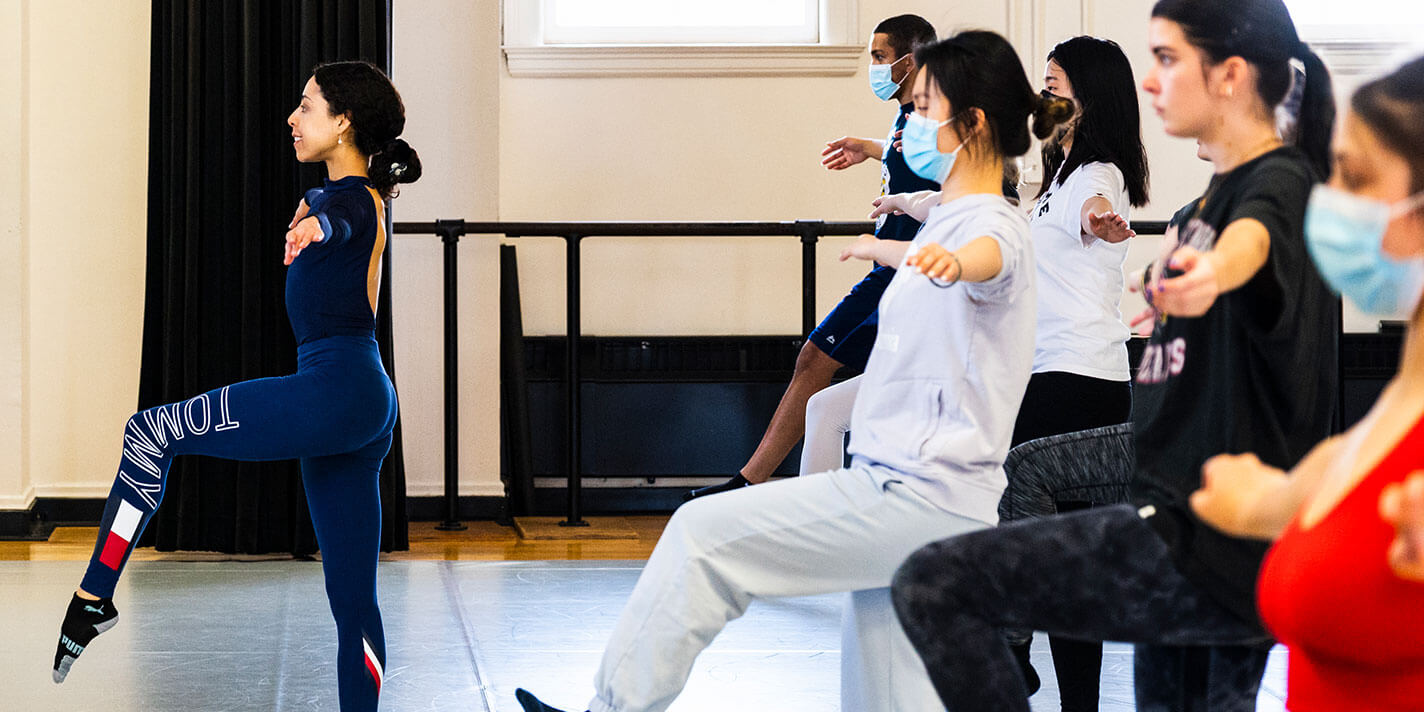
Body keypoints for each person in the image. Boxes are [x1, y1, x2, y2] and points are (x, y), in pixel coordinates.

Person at [514, 30, 1074, 712]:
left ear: (974, 123)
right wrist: (902, 230)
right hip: (916, 503)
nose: (907, 128)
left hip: (919, 501)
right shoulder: (948, 217)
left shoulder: (993, 228)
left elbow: (990, 251)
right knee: (886, 698)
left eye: (924, 108)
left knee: (703, 537)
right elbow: (947, 218)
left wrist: (952, 263)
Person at [889, 2, 1340, 710]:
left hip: (1203, 544)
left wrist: (1212, 270)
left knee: (935, 581)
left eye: (1166, 59)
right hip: (1180, 532)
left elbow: (1251, 239)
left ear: (1228, 75)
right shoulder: (1205, 203)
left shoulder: (1274, 186)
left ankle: (1022, 656)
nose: (1152, 82)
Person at [51, 61, 421, 712]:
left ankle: (92, 596)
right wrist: (315, 219)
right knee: (354, 600)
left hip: (339, 392)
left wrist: (318, 226)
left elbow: (346, 223)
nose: (292, 117)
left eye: (306, 107)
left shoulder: (352, 202)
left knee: (150, 433)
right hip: (360, 400)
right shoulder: (346, 197)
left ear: (343, 123)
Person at [1191, 55, 1424, 711]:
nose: (1326, 195)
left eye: (1354, 175)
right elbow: (1307, 494)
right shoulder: (1385, 419)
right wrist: (1253, 501)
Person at [685, 15, 940, 499]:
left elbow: (960, 175)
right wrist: (871, 148)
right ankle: (779, 490)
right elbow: (911, 154)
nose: (874, 68)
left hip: (903, 278)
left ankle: (754, 483)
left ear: (909, 62)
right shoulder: (910, 116)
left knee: (817, 361)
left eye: (880, 58)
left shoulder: (933, 118)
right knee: (824, 381)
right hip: (889, 271)